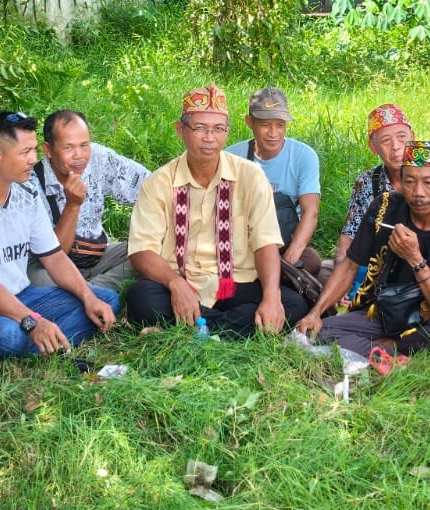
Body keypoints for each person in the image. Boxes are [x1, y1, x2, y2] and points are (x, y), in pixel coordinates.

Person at [0, 110, 119, 359]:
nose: (33, 159)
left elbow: (54, 257)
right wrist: (32, 322)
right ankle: (45, 340)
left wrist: (87, 296)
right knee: (9, 336)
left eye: (34, 150)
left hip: (22, 295)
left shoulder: (26, 192)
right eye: (25, 152)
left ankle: (45, 342)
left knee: (105, 300)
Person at [126, 84, 309, 337]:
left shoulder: (250, 176)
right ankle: (228, 330)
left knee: (293, 304)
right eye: (200, 128)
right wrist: (175, 283)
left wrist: (271, 296)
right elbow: (141, 251)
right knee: (140, 297)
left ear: (227, 132)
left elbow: (265, 242)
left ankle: (196, 328)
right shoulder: (159, 182)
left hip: (236, 282)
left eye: (218, 129)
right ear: (180, 130)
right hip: (182, 281)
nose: (209, 138)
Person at [298, 140, 430, 357]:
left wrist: (415, 260)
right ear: (401, 181)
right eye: (410, 181)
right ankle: (392, 354)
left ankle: (388, 349)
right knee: (319, 331)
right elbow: (350, 265)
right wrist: (316, 313)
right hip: (382, 314)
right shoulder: (384, 207)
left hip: (428, 321)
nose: (418, 192)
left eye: (429, 183)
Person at [25, 109, 149, 294]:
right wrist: (72, 205)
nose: (79, 155)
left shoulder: (99, 158)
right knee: (39, 281)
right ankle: (94, 293)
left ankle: (85, 292)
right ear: (48, 150)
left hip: (98, 255)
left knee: (148, 252)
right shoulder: (31, 185)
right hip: (51, 266)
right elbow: (53, 256)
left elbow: (149, 187)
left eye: (84, 145)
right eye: (68, 148)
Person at [226, 87, 322, 276]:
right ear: (249, 122)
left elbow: (310, 212)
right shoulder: (230, 157)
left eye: (280, 125)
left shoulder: (303, 156)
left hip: (284, 243)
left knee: (311, 261)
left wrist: (289, 261)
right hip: (243, 245)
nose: (273, 133)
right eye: (265, 125)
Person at [338, 103, 430, 263]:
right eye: (386, 141)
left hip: (421, 260)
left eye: (401, 137)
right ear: (373, 147)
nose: (396, 147)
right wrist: (341, 263)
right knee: (328, 269)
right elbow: (350, 232)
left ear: (412, 137)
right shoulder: (367, 181)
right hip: (376, 262)